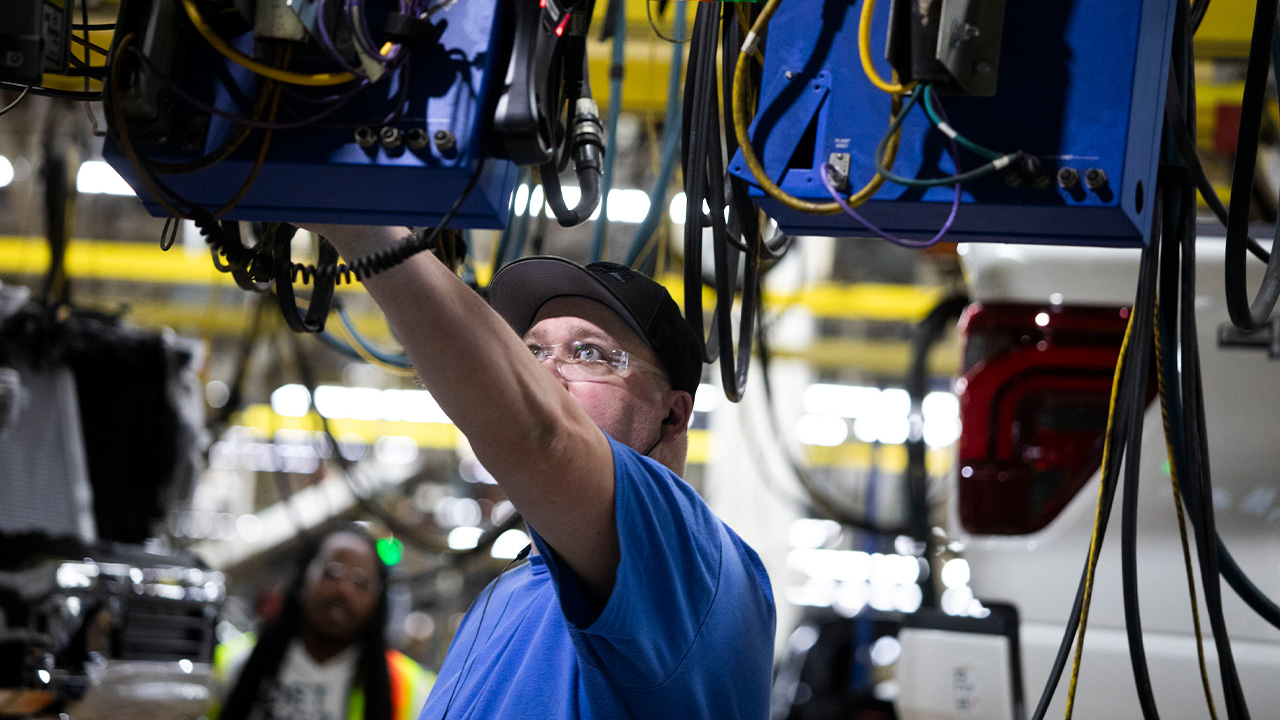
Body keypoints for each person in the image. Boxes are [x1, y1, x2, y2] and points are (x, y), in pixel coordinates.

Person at [308, 225, 776, 719]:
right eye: (533, 352)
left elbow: (546, 440)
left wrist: (361, 230)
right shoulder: (503, 596)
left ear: (673, 415)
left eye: (588, 354)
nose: (543, 374)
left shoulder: (689, 564)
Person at [212, 525, 434, 720]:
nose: (343, 590)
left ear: (378, 601)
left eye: (361, 582)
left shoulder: (412, 689)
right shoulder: (232, 664)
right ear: (302, 579)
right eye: (332, 573)